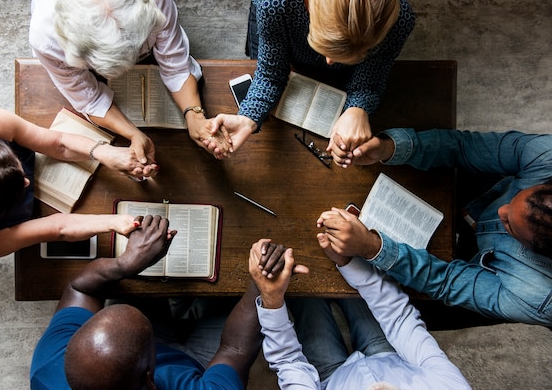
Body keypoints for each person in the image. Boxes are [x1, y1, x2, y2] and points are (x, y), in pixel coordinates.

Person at [318, 128, 552, 326]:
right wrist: (389, 147)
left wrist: (371, 247)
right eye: (514, 198)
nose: (501, 211)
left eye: (510, 225)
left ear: (535, 249)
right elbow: (464, 146)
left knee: (410, 312)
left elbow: (446, 282)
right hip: (483, 192)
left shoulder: (537, 297)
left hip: (491, 276)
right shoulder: (547, 157)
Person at [30, 214, 263, 390]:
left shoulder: (49, 369)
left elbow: (78, 288)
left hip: (141, 364)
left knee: (134, 286)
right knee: (235, 294)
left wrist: (126, 264)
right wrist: (263, 282)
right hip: (202, 364)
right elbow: (234, 349)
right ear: (150, 380)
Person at [205, 0, 415, 163]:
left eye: (351, 54)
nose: (330, 62)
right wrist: (248, 118)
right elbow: (270, 73)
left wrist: (357, 109)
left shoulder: (400, 20)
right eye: (326, 47)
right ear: (311, 10)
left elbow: (371, 78)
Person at [30, 0, 232, 171]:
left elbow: (176, 65)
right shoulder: (45, 40)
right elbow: (89, 99)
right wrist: (134, 134)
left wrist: (195, 115)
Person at [249, 238, 471, 389]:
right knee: (348, 263)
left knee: (300, 281)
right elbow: (400, 318)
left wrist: (272, 299)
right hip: (388, 355)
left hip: (330, 377)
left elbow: (289, 361)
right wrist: (346, 261)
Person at [0, 106, 147, 258]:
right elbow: (57, 228)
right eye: (16, 191)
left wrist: (103, 152)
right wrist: (113, 222)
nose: (26, 182)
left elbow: (58, 142)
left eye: (17, 167)